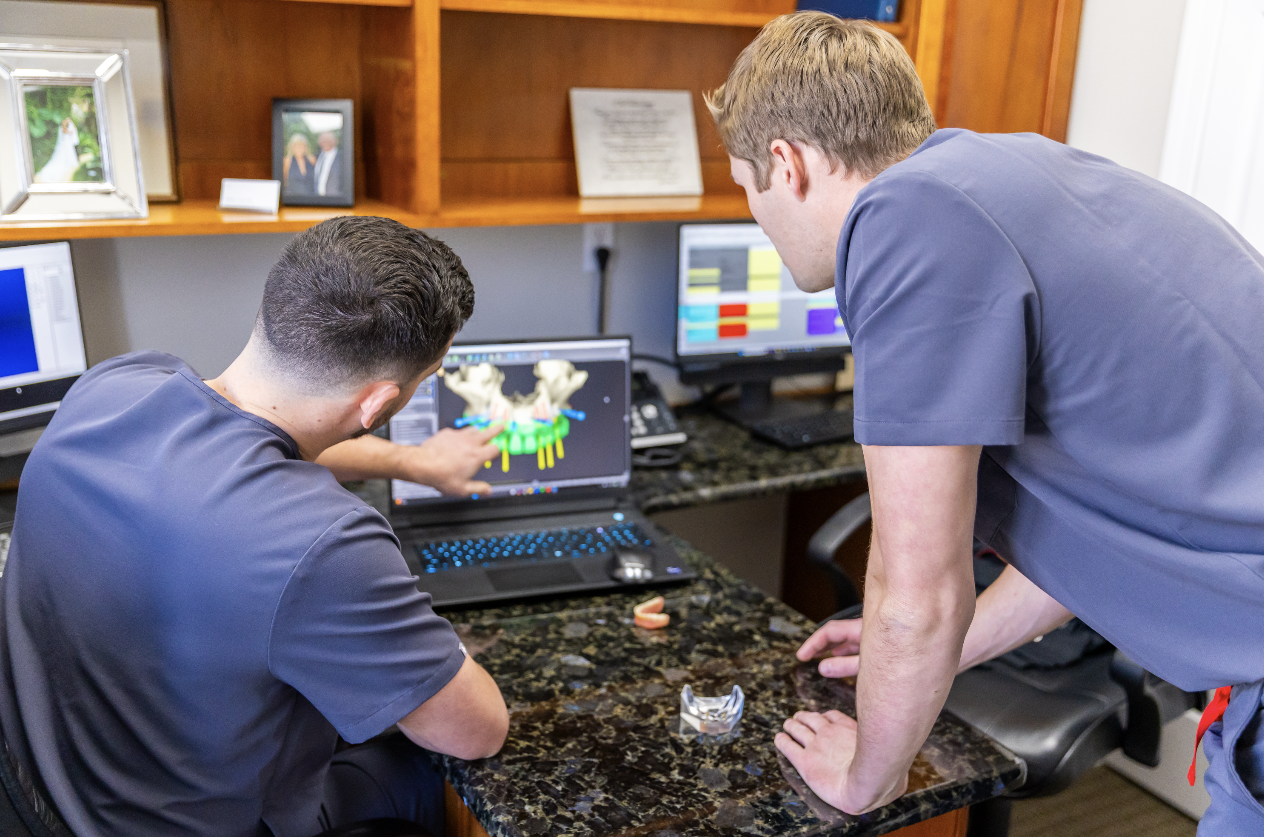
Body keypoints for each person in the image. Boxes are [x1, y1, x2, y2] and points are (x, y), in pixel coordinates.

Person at [706, 12, 1264, 834]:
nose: (758, 218)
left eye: (746, 188)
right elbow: (1099, 528)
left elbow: (918, 585)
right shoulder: (1009, 172)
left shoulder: (902, 223)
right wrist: (940, 648)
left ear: (785, 165)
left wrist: (867, 775)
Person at [0, 216, 510, 837]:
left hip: (45, 792)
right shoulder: (327, 545)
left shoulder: (113, 387)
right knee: (430, 770)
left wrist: (412, 461)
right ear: (378, 404)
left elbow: (264, 428)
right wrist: (422, 641)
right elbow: (477, 731)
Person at [314, 131, 342, 198]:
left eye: (329, 139)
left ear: (335, 141)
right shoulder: (316, 157)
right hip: (317, 201)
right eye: (323, 139)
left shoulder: (343, 158)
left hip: (335, 202)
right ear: (319, 142)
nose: (326, 142)